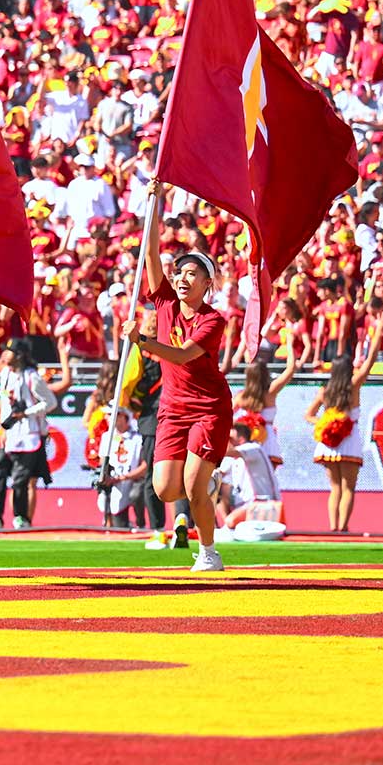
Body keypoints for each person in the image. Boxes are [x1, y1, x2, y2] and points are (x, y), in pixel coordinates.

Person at [129, 246, 231, 573]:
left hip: (208, 408)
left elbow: (181, 355)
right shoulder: (165, 304)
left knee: (192, 485)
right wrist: (155, 199)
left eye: (192, 274)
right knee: (164, 489)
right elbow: (151, 255)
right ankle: (207, 486)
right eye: (180, 273)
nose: (182, 278)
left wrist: (141, 341)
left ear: (206, 284)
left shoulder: (213, 320)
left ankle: (209, 553)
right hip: (173, 408)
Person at [0, 340, 54, 533]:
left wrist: (26, 413)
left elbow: (50, 402)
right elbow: (5, 404)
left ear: (19, 355)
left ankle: (21, 517)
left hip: (29, 433)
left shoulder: (32, 377)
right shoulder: (5, 375)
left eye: (10, 351)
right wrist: (4, 427)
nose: (5, 355)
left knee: (20, 479)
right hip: (10, 434)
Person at [305, 359, 366, 535]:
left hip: (330, 445)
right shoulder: (352, 388)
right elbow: (367, 366)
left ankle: (333, 527)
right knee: (348, 487)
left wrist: (326, 424)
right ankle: (343, 527)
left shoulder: (325, 391)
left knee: (335, 487)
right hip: (349, 440)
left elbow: (309, 415)